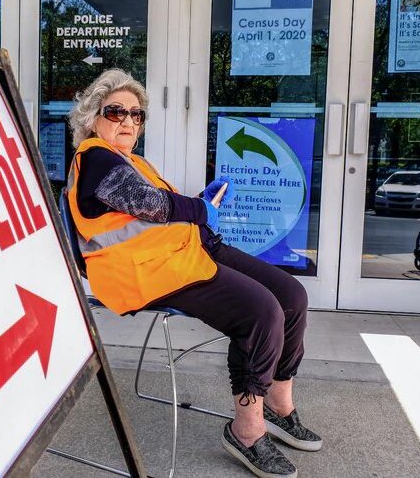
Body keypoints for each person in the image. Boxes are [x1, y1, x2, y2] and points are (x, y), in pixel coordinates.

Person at [65, 68, 321, 478]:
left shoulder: (131, 161)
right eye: (117, 112)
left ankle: (279, 404)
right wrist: (200, 209)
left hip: (188, 251)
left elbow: (151, 211)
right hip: (150, 271)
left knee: (292, 296)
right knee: (261, 311)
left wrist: (200, 204)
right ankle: (248, 431)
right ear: (93, 117)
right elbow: (146, 203)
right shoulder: (94, 157)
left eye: (137, 115)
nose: (129, 121)